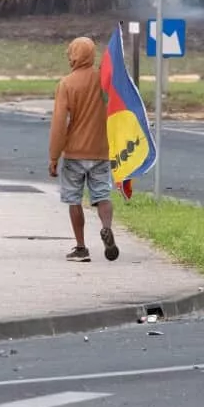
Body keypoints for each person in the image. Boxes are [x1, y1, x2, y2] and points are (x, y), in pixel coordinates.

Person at [48, 37, 120, 263]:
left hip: (75, 153)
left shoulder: (66, 84)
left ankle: (81, 247)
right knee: (102, 195)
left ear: (75, 55)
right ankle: (106, 227)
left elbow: (60, 123)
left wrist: (54, 156)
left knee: (74, 199)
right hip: (101, 150)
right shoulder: (105, 81)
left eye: (70, 52)